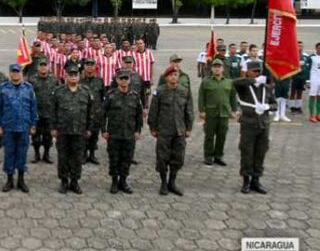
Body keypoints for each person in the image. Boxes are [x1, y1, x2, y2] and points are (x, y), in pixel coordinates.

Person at [148, 67, 194, 196]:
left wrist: (189, 127)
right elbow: (153, 111)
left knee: (178, 158)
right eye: (171, 75)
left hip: (179, 130)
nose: (173, 77)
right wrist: (153, 127)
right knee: (162, 158)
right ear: (166, 77)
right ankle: (163, 183)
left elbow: (189, 110)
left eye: (176, 74)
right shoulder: (159, 91)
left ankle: (172, 182)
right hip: (164, 130)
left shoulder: (184, 91)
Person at [234, 61, 277, 194]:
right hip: (248, 124)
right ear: (248, 72)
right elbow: (235, 82)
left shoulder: (266, 88)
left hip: (263, 125)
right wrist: (253, 80)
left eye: (259, 71)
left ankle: (256, 180)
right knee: (247, 153)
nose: (257, 73)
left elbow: (274, 104)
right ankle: (246, 181)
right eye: (254, 71)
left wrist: (268, 106)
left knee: (260, 153)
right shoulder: (244, 87)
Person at [51, 66, 95, 194]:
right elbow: (52, 111)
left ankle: (75, 181)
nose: (73, 77)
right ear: (66, 76)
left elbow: (91, 112)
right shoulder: (58, 91)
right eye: (71, 75)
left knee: (77, 157)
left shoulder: (86, 92)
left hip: (80, 131)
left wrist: (89, 128)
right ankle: (64, 181)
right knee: (63, 157)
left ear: (79, 77)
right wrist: (53, 128)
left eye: (76, 75)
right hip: (63, 131)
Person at [0, 64, 38, 193]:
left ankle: (21, 180)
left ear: (21, 73)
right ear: (10, 73)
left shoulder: (28, 88)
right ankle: (9, 180)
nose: (15, 74)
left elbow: (33, 107)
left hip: (24, 127)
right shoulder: (3, 88)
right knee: (9, 154)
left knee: (22, 154)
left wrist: (33, 124)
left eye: (17, 72)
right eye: (13, 72)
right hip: (8, 127)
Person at [101, 70, 143, 194]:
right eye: (121, 78)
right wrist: (103, 130)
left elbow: (139, 116)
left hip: (129, 133)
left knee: (127, 158)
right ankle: (114, 181)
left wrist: (138, 130)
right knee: (114, 159)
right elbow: (102, 114)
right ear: (117, 80)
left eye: (126, 78)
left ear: (129, 80)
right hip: (114, 133)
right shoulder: (110, 95)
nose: (124, 81)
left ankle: (123, 181)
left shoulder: (135, 96)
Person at [198, 59, 238, 166]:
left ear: (223, 69)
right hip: (211, 113)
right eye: (215, 67)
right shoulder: (206, 81)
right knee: (209, 136)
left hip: (224, 113)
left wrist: (234, 110)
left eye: (219, 67)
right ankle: (208, 156)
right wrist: (201, 110)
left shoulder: (229, 82)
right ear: (211, 68)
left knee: (222, 136)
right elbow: (201, 97)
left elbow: (233, 97)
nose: (217, 69)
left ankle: (218, 156)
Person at [27, 57, 58, 164]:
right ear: (38, 67)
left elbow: (58, 95)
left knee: (48, 137)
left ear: (48, 67)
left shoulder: (54, 80)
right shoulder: (32, 80)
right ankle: (36, 154)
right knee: (35, 136)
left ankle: (46, 154)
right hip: (36, 113)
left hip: (49, 113)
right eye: (41, 65)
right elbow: (28, 96)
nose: (43, 67)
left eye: (45, 65)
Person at [306, 42, 320, 122]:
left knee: (319, 97)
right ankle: (311, 116)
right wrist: (308, 81)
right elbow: (307, 70)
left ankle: (318, 114)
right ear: (316, 48)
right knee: (313, 96)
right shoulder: (311, 57)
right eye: (319, 48)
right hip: (314, 79)